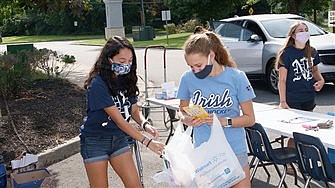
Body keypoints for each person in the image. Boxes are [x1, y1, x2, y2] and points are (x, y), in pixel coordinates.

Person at [80, 36, 165, 188]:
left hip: (118, 139)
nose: (127, 65)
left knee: (135, 185)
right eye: (122, 61)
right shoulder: (97, 83)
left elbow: (133, 109)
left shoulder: (126, 78)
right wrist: (147, 142)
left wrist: (145, 124)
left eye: (130, 60)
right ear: (109, 59)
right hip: (95, 140)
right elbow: (119, 121)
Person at [177, 31, 256, 187]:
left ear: (211, 56)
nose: (195, 70)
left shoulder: (237, 77)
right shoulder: (187, 78)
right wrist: (187, 119)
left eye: (198, 65)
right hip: (205, 150)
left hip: (234, 148)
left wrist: (223, 121)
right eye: (191, 66)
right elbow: (182, 110)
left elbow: (250, 119)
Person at [275, 22, 325, 148]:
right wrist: (282, 101)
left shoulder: (312, 51)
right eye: (300, 30)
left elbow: (314, 71)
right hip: (293, 99)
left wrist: (321, 81)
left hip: (308, 97)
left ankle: (304, 160)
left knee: (307, 131)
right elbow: (282, 80)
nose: (304, 32)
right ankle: (290, 164)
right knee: (295, 133)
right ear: (293, 35)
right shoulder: (286, 54)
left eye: (306, 30)